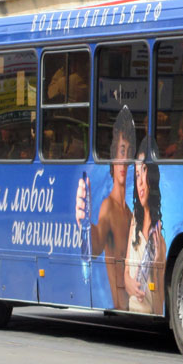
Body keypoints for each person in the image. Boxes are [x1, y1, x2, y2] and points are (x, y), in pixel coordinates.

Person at [76, 107, 135, 310]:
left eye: (128, 153)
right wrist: (83, 222)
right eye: (121, 151)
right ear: (112, 157)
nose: (124, 161)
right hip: (120, 305)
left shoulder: (129, 212)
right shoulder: (108, 207)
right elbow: (95, 248)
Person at [124, 138, 165, 314]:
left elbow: (158, 306)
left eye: (144, 171)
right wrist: (131, 286)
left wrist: (156, 267)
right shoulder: (135, 220)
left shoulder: (159, 240)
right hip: (131, 308)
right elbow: (126, 272)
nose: (140, 182)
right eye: (137, 174)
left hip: (147, 312)